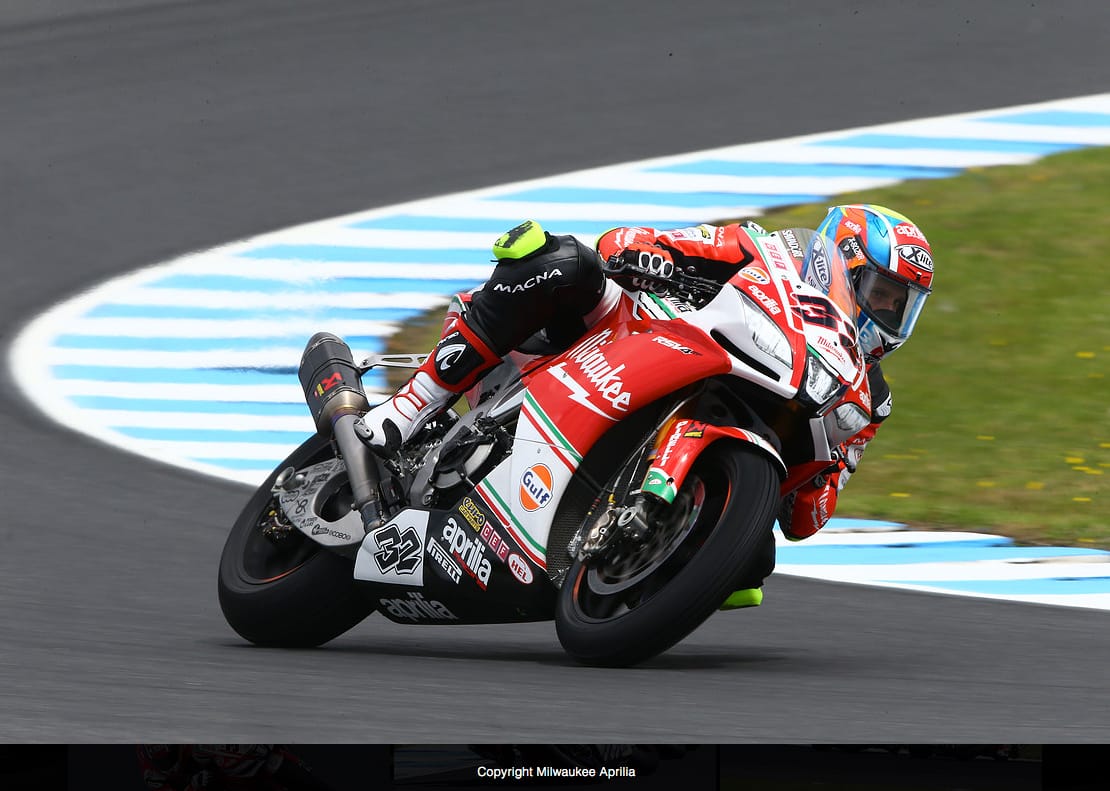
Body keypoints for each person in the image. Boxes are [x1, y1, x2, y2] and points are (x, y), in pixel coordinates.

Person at [362, 205, 934, 600]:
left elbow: (808, 519)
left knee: (753, 561)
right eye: (882, 294)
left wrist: (826, 474)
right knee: (562, 261)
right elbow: (629, 242)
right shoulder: (762, 249)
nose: (889, 314)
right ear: (840, 262)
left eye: (901, 305)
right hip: (638, 331)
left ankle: (628, 561)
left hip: (734, 408)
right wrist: (650, 257)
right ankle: (412, 405)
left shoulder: (869, 396)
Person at [136, 745, 333, 791]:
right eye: (163, 762)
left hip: (214, 766)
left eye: (170, 756)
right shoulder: (153, 777)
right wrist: (193, 786)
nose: (168, 764)